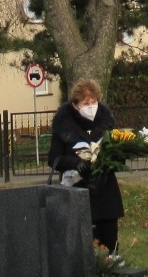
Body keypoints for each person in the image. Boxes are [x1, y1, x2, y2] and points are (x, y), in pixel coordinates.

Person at [48, 79, 123, 249]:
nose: (91, 107)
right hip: (77, 190)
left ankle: (111, 259)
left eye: (93, 102)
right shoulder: (64, 125)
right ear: (76, 105)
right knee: (83, 243)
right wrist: (75, 163)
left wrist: (110, 160)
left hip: (105, 192)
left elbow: (117, 153)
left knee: (109, 241)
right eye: (86, 103)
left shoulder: (105, 122)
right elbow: (53, 158)